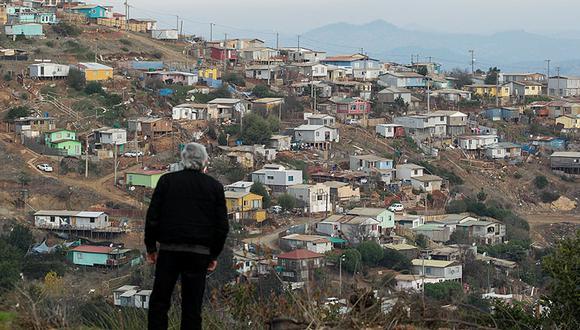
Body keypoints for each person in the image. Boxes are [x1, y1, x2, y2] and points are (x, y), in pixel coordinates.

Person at [145, 142, 229, 330]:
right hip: (198, 255)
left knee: (159, 303)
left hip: (169, 251)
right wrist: (213, 255)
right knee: (192, 308)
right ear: (205, 162)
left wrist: (151, 248)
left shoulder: (167, 181)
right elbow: (222, 226)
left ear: (183, 160)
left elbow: (152, 218)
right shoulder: (214, 187)